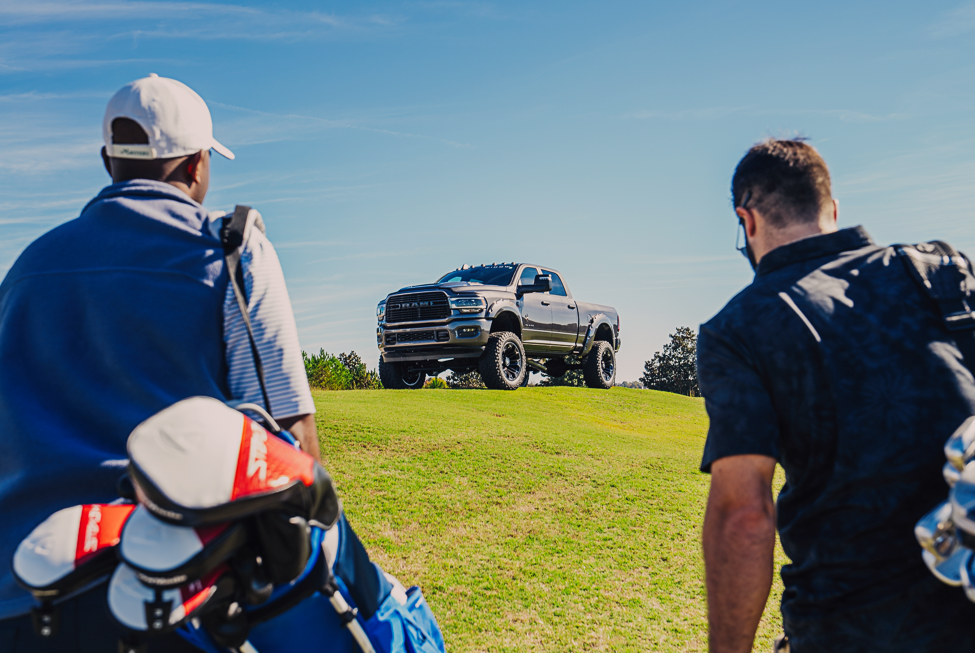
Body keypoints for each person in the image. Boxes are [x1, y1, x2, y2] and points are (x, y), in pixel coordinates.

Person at [0, 74, 317, 651]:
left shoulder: (25, 269)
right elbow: (290, 442)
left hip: (22, 594)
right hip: (166, 594)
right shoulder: (229, 248)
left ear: (107, 162)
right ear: (198, 164)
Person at [698, 138, 975, 652]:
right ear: (832, 208)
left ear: (747, 221)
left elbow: (744, 514)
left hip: (848, 625)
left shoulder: (738, 328)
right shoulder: (944, 271)